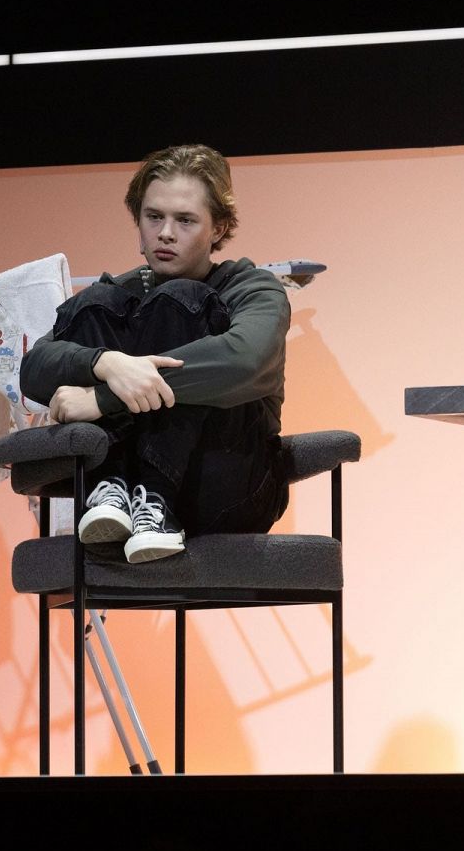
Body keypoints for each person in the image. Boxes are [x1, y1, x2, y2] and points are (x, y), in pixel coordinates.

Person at [18, 144, 290, 563]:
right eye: (154, 217)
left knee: (180, 298)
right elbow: (34, 368)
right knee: (97, 302)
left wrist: (103, 397)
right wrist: (105, 363)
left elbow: (245, 359)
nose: (165, 233)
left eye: (185, 220)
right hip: (125, 495)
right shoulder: (116, 295)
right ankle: (114, 488)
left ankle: (154, 497)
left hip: (227, 481)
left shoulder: (253, 288)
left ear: (218, 229)